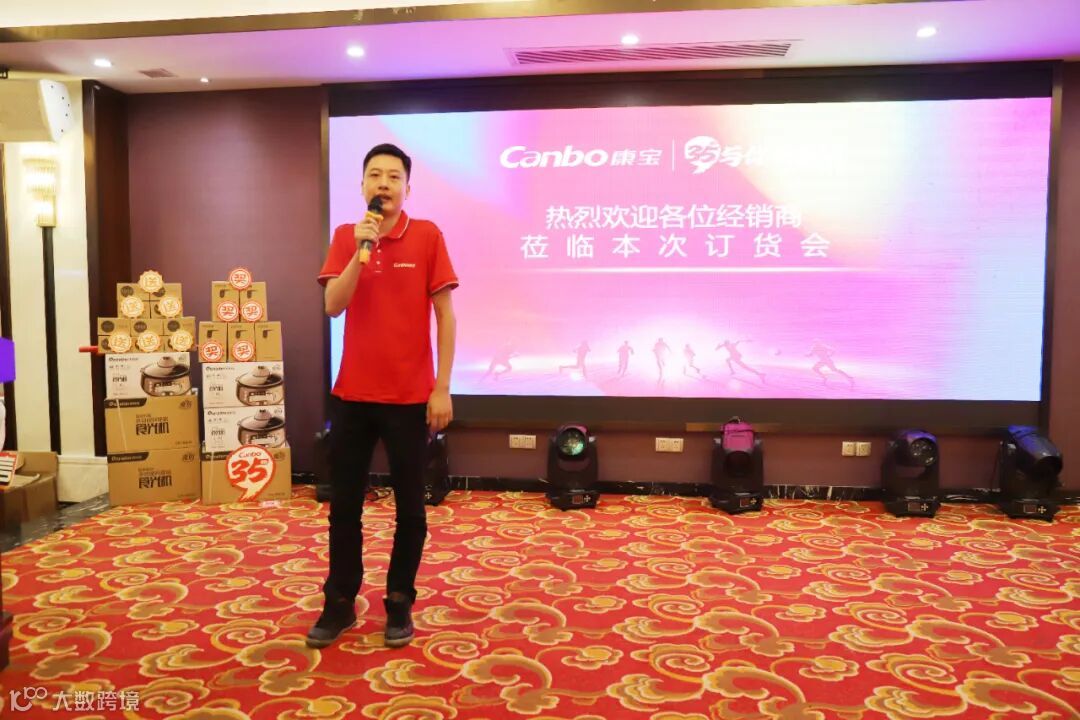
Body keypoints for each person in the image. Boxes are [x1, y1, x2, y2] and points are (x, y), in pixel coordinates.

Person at [309, 143, 458, 650]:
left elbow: (446, 316)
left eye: (394, 176)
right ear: (362, 186)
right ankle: (339, 603)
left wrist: (442, 387)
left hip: (410, 397)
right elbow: (333, 305)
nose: (384, 184)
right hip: (353, 395)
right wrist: (360, 251)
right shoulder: (345, 236)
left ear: (407, 188)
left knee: (411, 509)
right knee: (343, 507)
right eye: (375, 175)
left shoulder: (428, 235)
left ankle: (399, 601)